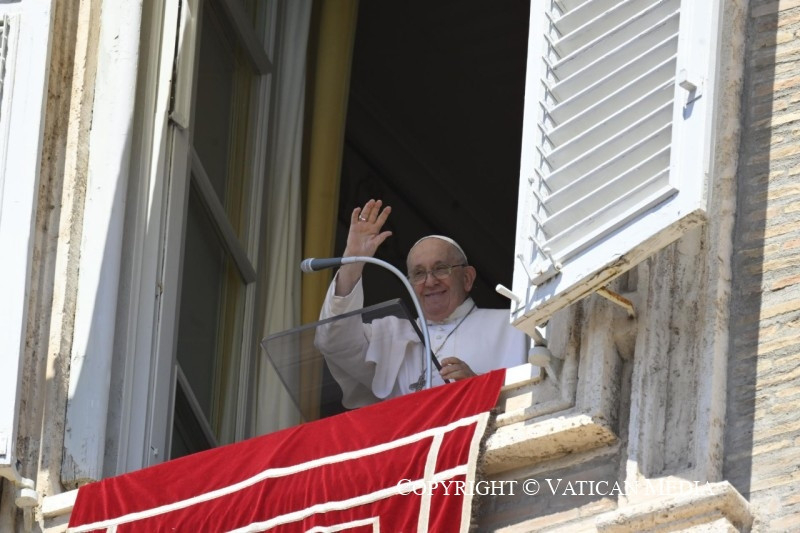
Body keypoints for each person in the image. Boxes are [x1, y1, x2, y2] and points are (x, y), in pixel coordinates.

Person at [315, 199, 527, 408]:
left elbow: (533, 398)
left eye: (441, 269)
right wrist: (353, 261)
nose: (430, 281)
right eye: (418, 273)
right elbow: (333, 341)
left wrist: (479, 388)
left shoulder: (514, 326)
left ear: (467, 278)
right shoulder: (390, 334)